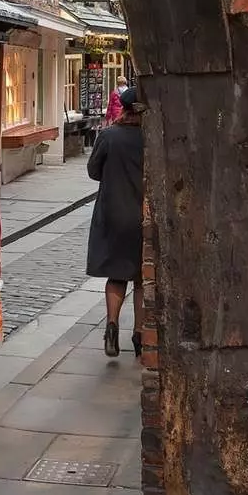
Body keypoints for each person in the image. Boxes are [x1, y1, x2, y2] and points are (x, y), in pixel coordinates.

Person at [87, 86, 145, 358]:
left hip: (113, 213)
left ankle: (111, 326)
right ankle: (140, 334)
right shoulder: (150, 137)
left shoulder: (109, 136)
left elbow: (93, 171)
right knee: (143, 278)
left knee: (117, 275)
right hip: (142, 215)